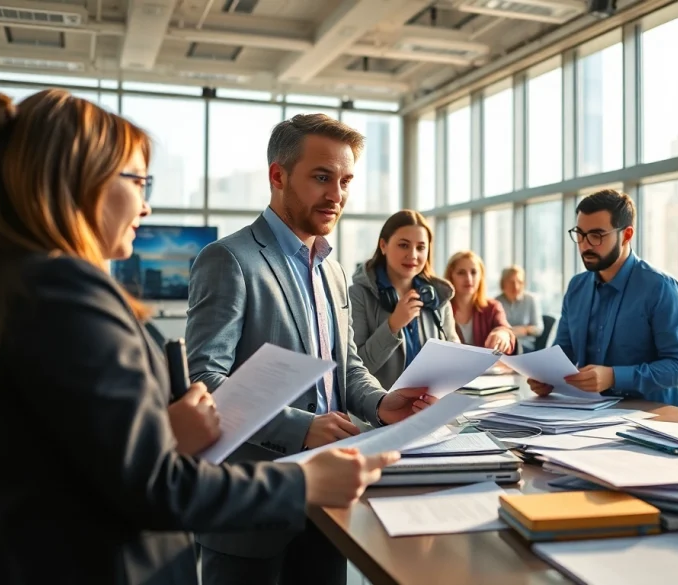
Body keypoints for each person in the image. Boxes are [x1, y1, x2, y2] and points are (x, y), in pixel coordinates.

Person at [0, 90, 397, 585]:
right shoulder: (62, 291)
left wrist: (167, 433)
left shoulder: (8, 284)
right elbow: (149, 479)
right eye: (138, 182)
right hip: (132, 549)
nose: (145, 207)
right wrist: (304, 480)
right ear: (78, 183)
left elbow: (70, 447)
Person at [185, 113, 434, 585]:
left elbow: (347, 366)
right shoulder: (229, 260)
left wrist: (381, 402)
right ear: (278, 176)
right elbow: (205, 384)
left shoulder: (333, 269)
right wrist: (301, 429)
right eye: (322, 177)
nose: (336, 195)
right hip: (251, 510)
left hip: (328, 503)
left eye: (345, 180)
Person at [527, 189, 678, 406]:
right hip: (590, 412)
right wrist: (547, 378)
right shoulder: (577, 287)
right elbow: (562, 355)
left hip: (654, 417)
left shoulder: (660, 287)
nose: (585, 245)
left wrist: (614, 376)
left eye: (596, 236)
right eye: (580, 234)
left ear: (627, 235)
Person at [349, 210, 460, 389]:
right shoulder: (358, 296)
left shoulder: (437, 296)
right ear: (383, 246)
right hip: (381, 410)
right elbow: (356, 369)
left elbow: (455, 357)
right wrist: (393, 325)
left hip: (431, 405)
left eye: (421, 247)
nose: (413, 255)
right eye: (403, 245)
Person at [444, 250, 516, 354]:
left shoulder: (493, 307)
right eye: (461, 273)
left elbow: (505, 329)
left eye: (473, 272)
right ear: (450, 277)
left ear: (481, 276)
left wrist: (503, 334)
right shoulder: (441, 309)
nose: (468, 279)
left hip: (486, 370)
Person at [496, 265, 543, 352]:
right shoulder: (496, 302)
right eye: (511, 282)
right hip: (503, 346)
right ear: (503, 283)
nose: (516, 286)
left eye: (520, 282)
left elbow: (538, 328)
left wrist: (523, 330)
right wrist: (520, 330)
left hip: (525, 347)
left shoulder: (531, 299)